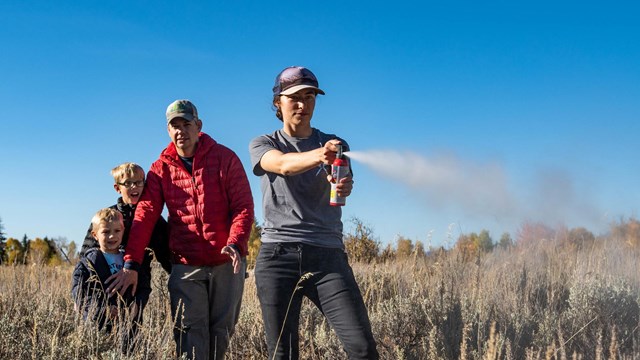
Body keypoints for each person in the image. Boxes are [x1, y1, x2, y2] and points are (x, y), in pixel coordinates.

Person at [107, 99, 254, 360]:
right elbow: (145, 215)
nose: (180, 131)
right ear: (168, 130)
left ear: (198, 125)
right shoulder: (161, 168)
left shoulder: (225, 158)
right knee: (190, 335)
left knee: (221, 333)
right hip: (186, 265)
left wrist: (236, 242)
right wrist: (131, 263)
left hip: (226, 262)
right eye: (174, 126)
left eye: (186, 124)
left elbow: (243, 206)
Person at [249, 66, 379, 359]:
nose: (302, 105)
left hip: (327, 257)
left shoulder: (336, 144)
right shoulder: (263, 143)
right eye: (294, 97)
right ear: (277, 103)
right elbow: (282, 165)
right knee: (282, 353)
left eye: (309, 97)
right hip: (277, 258)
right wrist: (319, 155)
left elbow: (342, 188)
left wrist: (344, 186)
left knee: (362, 348)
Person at [72, 208, 145, 352]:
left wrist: (137, 305)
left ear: (123, 231)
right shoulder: (87, 263)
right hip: (98, 326)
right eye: (105, 232)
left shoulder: (130, 262)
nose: (112, 236)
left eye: (117, 231)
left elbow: (143, 286)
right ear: (95, 235)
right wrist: (102, 310)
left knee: (129, 352)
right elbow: (79, 293)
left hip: (129, 325)